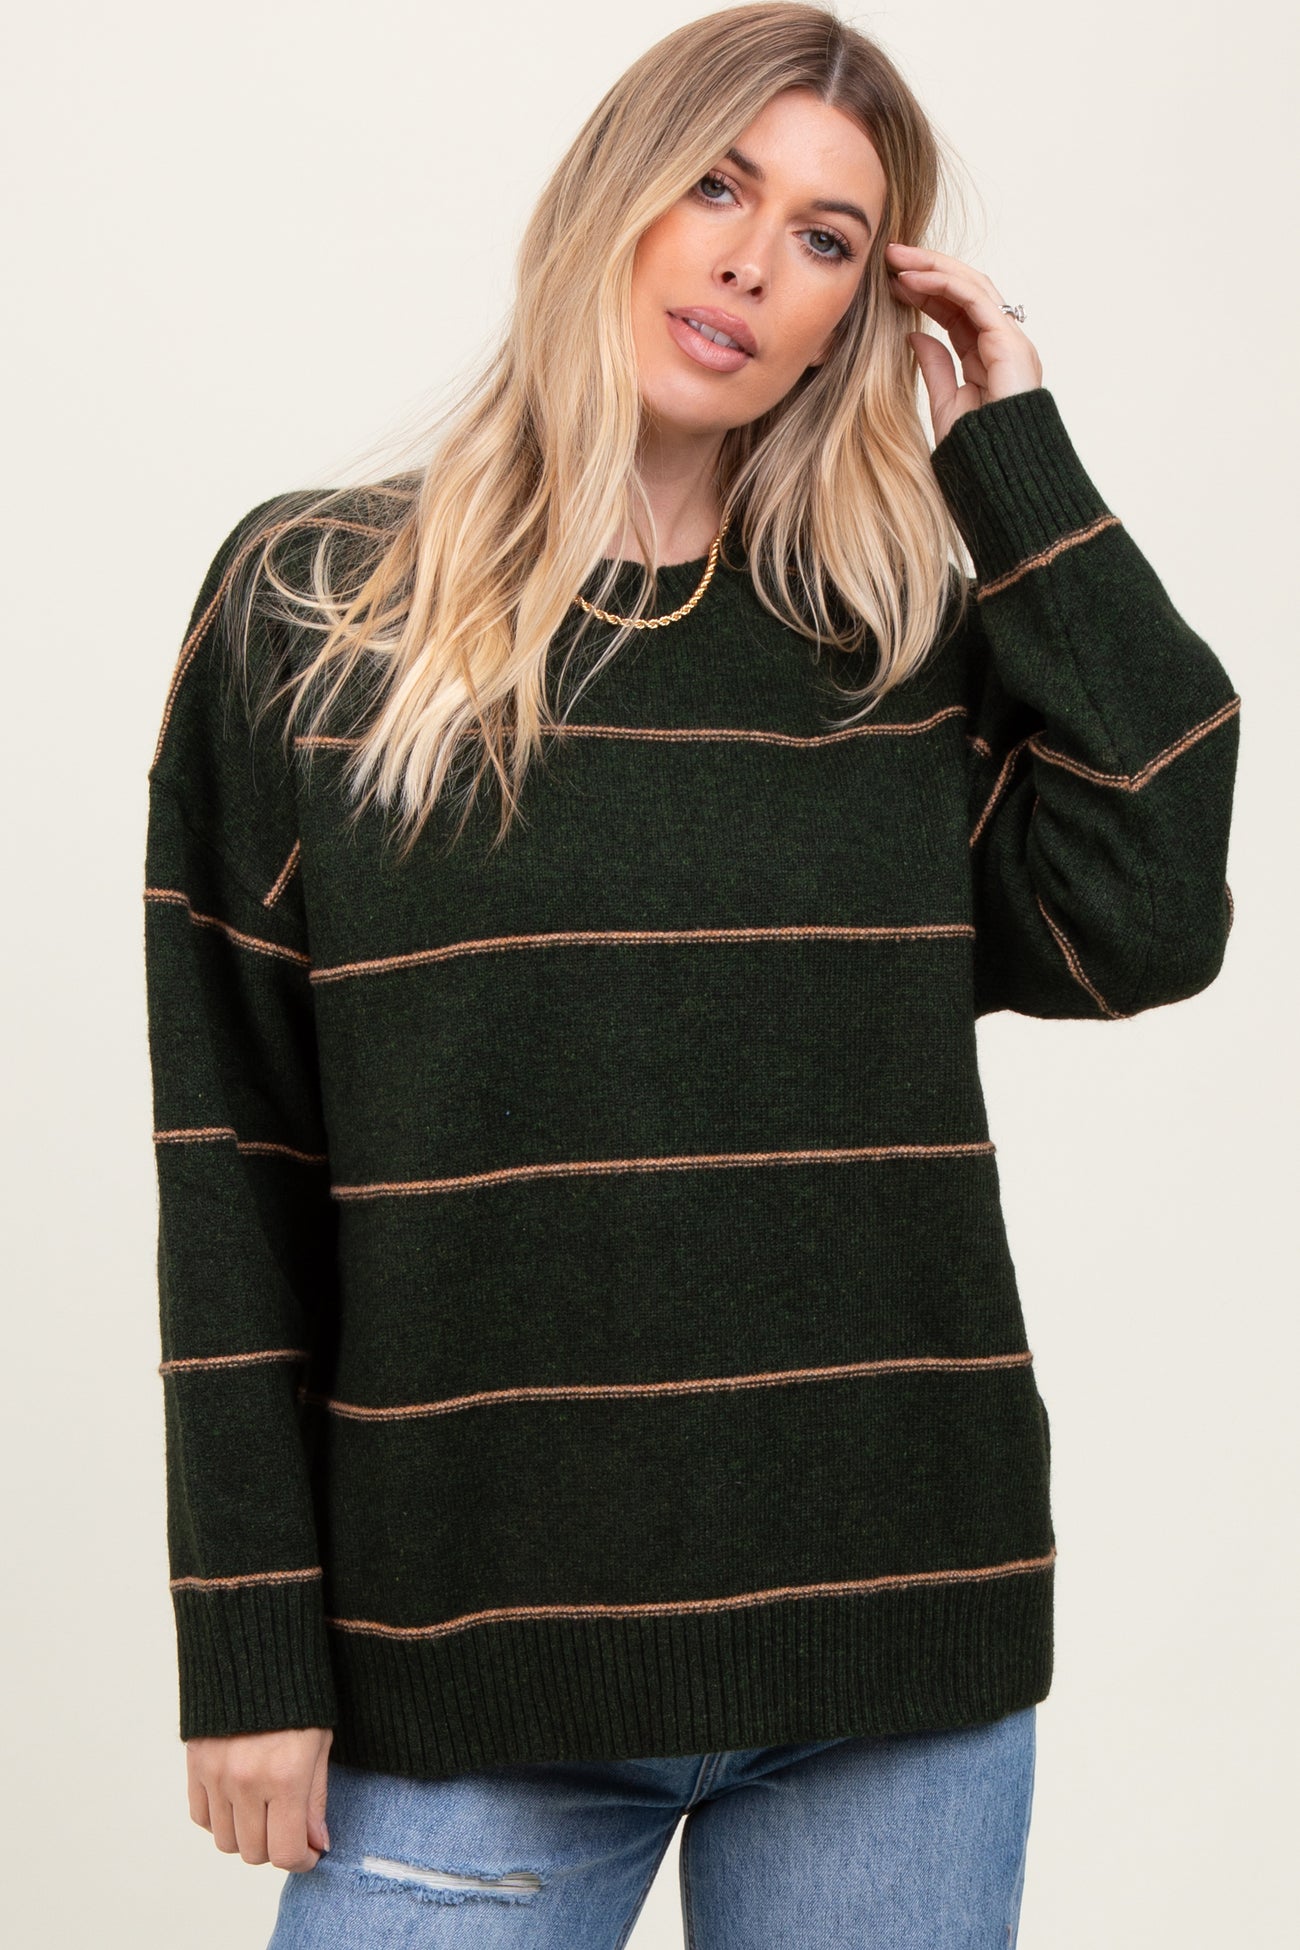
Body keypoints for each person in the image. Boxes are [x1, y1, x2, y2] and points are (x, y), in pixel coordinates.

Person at [141, 5, 1241, 1944]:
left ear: (852, 317)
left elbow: (1149, 901)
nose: (749, 262)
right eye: (716, 186)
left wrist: (1011, 446)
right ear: (611, 196)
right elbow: (232, 1158)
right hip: (471, 1663)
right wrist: (251, 1649)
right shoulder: (316, 610)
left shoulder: (884, 643)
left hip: (893, 1655)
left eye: (825, 237)